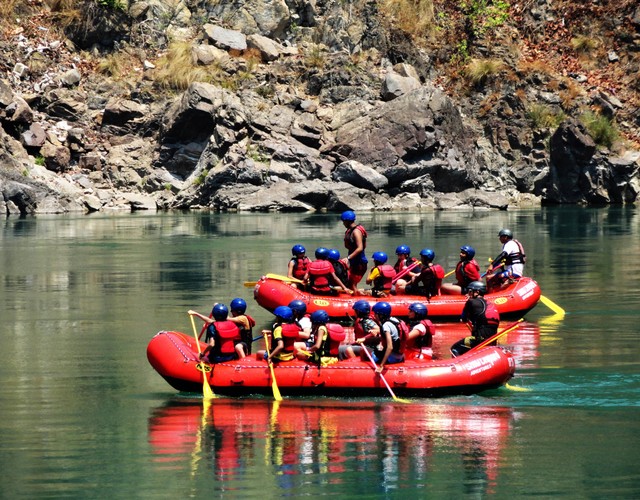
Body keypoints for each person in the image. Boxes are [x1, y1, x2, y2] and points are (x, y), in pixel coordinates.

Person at [450, 281, 500, 357]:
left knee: (454, 348)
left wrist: (468, 302)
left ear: (476, 292)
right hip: (492, 341)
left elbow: (463, 318)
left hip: (480, 340)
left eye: (470, 291)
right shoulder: (490, 304)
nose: (467, 294)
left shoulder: (471, 302)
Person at [358, 302, 406, 372]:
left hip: (391, 358)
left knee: (363, 351)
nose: (374, 316)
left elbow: (390, 347)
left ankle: (363, 372)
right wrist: (365, 339)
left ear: (381, 315)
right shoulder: (396, 320)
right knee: (377, 349)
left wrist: (381, 365)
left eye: (376, 314)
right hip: (400, 356)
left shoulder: (386, 325)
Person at [340, 210, 368, 294]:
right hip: (354, 262)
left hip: (359, 263)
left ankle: (356, 301)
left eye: (343, 221)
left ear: (347, 221)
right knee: (350, 283)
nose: (343, 223)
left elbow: (360, 248)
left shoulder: (356, 231)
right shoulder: (351, 230)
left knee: (352, 284)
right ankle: (354, 297)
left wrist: (348, 258)